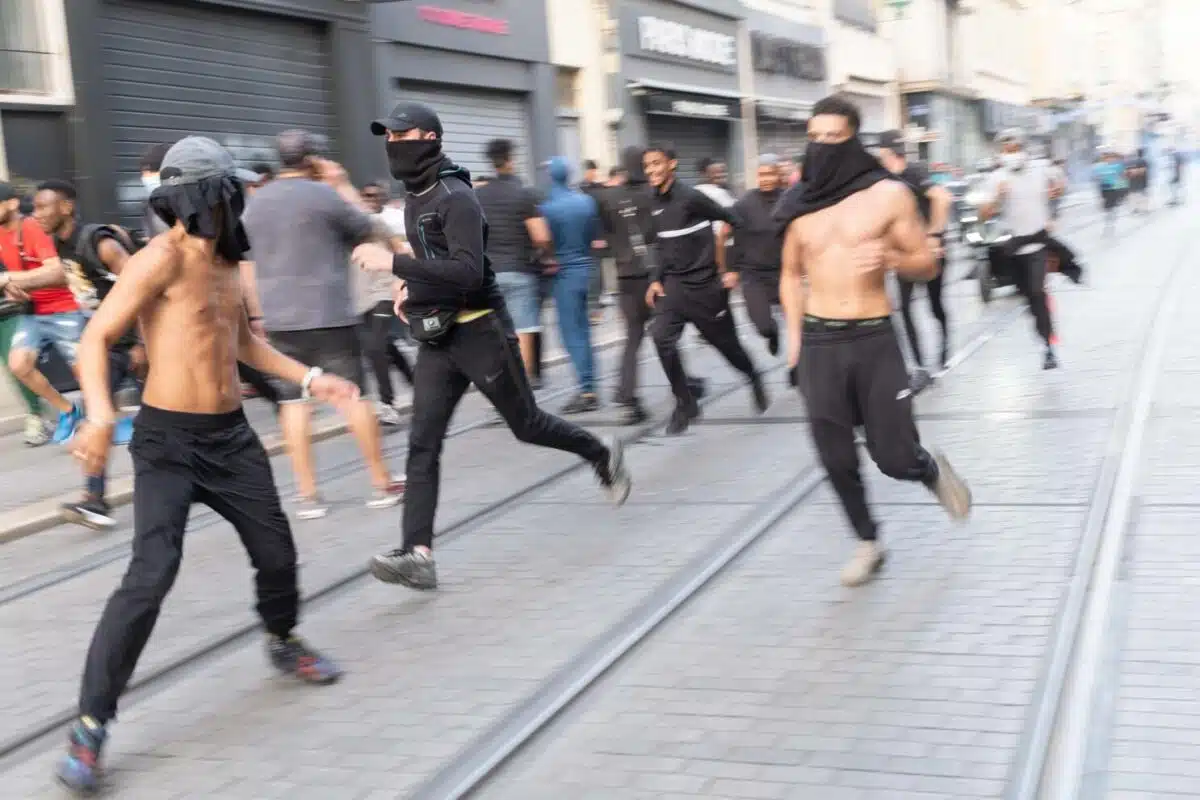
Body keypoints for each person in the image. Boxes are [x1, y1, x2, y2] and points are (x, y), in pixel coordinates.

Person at [55, 137, 348, 795]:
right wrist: (101, 417)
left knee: (276, 553)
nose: (240, 198)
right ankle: (90, 725)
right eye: (231, 189)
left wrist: (313, 379)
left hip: (231, 441)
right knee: (149, 578)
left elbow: (246, 343)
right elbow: (98, 337)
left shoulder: (225, 262)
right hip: (168, 445)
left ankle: (282, 639)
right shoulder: (158, 260)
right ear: (203, 196)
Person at [352, 102, 631, 591]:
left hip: (481, 332)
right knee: (422, 443)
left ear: (430, 138)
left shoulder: (456, 195)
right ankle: (418, 553)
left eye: (402, 135)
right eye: (388, 137)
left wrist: (392, 266)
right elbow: (433, 258)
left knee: (527, 425)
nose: (393, 144)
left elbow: (468, 273)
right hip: (439, 337)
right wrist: (409, 290)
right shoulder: (418, 195)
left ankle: (600, 453)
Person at [773, 94, 971, 587]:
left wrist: (891, 261)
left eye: (832, 138)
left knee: (893, 457)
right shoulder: (799, 203)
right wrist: (795, 340)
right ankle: (867, 541)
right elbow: (790, 274)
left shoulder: (889, 195)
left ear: (853, 138)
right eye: (813, 137)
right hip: (820, 341)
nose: (820, 147)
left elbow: (927, 262)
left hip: (873, 338)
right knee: (834, 456)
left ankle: (927, 470)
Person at [240, 129, 404, 520]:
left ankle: (308, 495)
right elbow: (374, 231)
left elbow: (245, 265)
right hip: (329, 314)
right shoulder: (325, 196)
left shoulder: (255, 204)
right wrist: (342, 184)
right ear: (313, 160)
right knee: (352, 396)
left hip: (279, 320)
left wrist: (258, 314)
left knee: (293, 403)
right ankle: (381, 483)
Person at [28, 180, 143, 529]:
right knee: (99, 416)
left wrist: (144, 342)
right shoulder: (61, 245)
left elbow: (144, 284)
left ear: (66, 207)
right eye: (34, 208)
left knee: (164, 416)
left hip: (132, 344)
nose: (37, 214)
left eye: (44, 207)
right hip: (106, 345)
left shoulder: (99, 242)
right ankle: (95, 499)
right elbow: (85, 284)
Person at [643, 145, 768, 435]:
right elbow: (662, 245)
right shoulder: (652, 201)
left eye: (656, 164)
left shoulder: (691, 198)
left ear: (671, 165)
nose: (651, 170)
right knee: (661, 337)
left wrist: (732, 268)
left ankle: (753, 375)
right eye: (647, 166)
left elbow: (734, 221)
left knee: (728, 347)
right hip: (673, 286)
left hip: (705, 289)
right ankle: (685, 402)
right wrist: (655, 279)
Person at [1, 183, 88, 445]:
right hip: (33, 311)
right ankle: (68, 411)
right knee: (19, 365)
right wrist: (13, 288)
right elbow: (22, 276)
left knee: (86, 371)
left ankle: (102, 419)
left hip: (64, 307)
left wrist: (8, 278)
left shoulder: (31, 227)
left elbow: (55, 271)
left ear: (12, 204)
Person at [874, 130, 953, 380]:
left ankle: (943, 349)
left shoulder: (916, 172)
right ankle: (919, 367)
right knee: (904, 309)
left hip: (930, 252)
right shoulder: (882, 179)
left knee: (934, 305)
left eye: (882, 152)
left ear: (886, 151)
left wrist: (935, 235)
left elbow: (942, 197)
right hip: (904, 255)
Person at [982, 129, 1061, 370]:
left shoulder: (1040, 168)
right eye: (1007, 149)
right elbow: (983, 214)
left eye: (1015, 148)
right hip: (1014, 247)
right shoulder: (996, 177)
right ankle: (1043, 333)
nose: (1012, 153)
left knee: (1037, 292)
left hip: (1037, 243)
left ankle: (1048, 347)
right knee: (1030, 297)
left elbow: (1059, 185)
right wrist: (997, 198)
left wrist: (1055, 194)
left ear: (1023, 147)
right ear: (1001, 152)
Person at [476, 138, 551, 380]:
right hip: (520, 270)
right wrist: (537, 252)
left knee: (496, 334)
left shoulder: (478, 196)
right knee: (525, 330)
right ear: (510, 160)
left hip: (488, 275)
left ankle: (501, 386)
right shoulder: (523, 194)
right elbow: (541, 236)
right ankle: (525, 387)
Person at [542, 157, 601, 413]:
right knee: (584, 331)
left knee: (571, 333)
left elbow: (545, 242)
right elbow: (592, 236)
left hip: (563, 273)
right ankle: (590, 385)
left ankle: (586, 390)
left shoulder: (548, 207)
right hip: (586, 268)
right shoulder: (586, 201)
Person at [354, 180, 413, 425]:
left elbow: (401, 251)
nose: (372, 199)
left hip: (382, 292)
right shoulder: (350, 224)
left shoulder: (377, 223)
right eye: (367, 195)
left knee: (375, 348)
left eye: (376, 195)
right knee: (386, 346)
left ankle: (388, 404)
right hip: (360, 297)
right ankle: (418, 381)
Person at [0, 182, 47, 443]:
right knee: (14, 366)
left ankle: (38, 415)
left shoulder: (31, 229)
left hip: (23, 308)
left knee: (16, 362)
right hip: (8, 307)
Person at [728, 154, 786, 356]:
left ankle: (799, 366)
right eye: (761, 175)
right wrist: (730, 269)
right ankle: (772, 334)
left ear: (778, 175)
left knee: (803, 327)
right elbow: (729, 237)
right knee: (763, 325)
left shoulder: (789, 199)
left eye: (770, 174)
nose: (766, 179)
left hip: (785, 273)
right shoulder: (745, 203)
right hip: (753, 275)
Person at [138, 143, 173, 240]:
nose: (146, 177)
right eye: (144, 173)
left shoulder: (188, 205)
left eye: (153, 171)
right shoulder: (149, 206)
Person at [1127, 147, 1150, 214]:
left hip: (1133, 181)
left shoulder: (1131, 161)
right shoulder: (1144, 161)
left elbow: (1128, 172)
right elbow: (1144, 171)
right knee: (1142, 195)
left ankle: (1135, 209)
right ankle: (1144, 209)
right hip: (1142, 181)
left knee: (1135, 195)